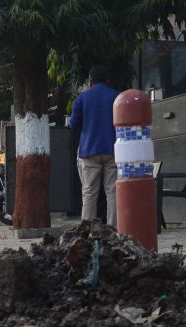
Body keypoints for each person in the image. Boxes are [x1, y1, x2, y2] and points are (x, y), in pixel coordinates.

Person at [69, 65, 120, 227]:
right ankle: (113, 229)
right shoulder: (116, 96)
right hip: (113, 149)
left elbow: (73, 124)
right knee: (113, 192)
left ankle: (87, 230)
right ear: (107, 81)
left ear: (90, 81)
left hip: (89, 150)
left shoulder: (82, 98)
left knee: (89, 193)